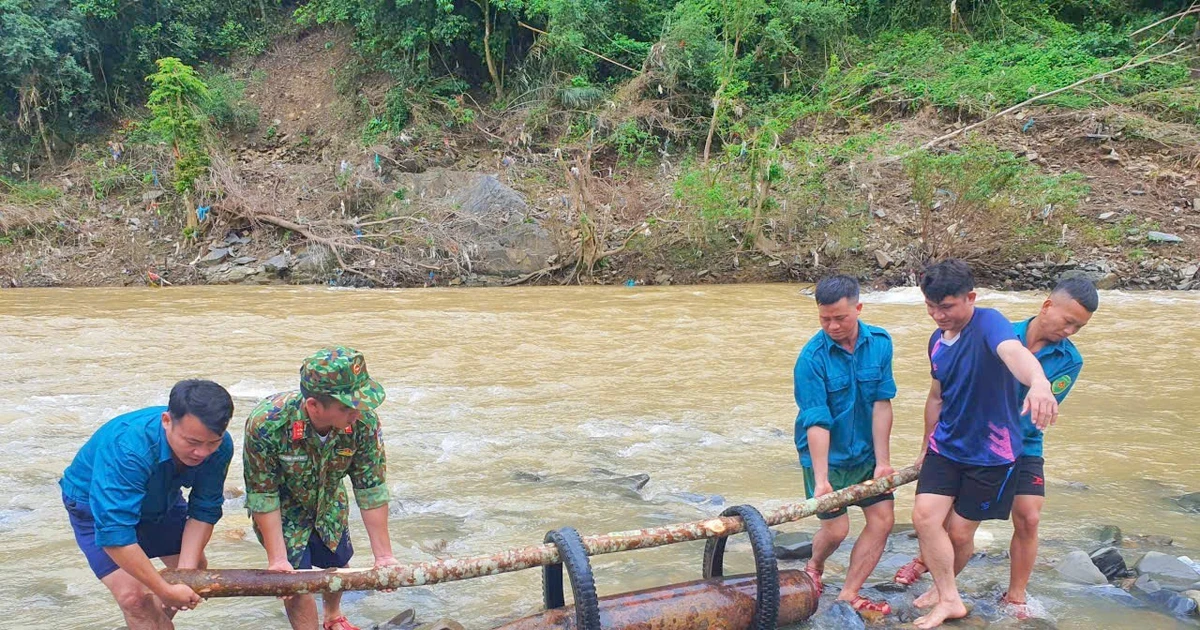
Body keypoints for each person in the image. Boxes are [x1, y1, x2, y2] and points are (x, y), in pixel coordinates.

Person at [894, 276, 1098, 617]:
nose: (1071, 331)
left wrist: (1038, 387)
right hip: (974, 438)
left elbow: (1031, 414)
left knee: (1029, 517)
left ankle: (1016, 595)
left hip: (1023, 442)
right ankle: (929, 568)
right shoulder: (1001, 331)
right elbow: (945, 392)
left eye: (1079, 327)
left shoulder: (1069, 360)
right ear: (1047, 306)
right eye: (1068, 322)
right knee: (943, 514)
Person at [908, 260, 1059, 629]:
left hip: (992, 454)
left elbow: (1013, 353)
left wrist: (1039, 382)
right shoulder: (935, 342)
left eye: (946, 307)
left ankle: (945, 593)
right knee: (925, 517)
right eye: (931, 306)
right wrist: (926, 443)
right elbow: (936, 395)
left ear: (970, 297)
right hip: (946, 447)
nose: (938, 315)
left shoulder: (990, 322)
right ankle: (948, 597)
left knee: (960, 534)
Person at [60, 379, 235, 629]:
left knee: (194, 570)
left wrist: (181, 577)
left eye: (212, 443)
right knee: (135, 599)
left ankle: (154, 622)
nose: (202, 453)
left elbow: (204, 511)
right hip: (93, 506)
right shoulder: (128, 448)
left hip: (161, 499)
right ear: (166, 421)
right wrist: (162, 588)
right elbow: (115, 535)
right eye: (193, 443)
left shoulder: (221, 446)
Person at [244, 346, 398, 630]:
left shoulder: (363, 422)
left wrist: (384, 557)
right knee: (296, 580)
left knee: (338, 562)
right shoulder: (267, 423)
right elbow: (263, 495)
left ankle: (333, 616)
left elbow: (371, 489)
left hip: (329, 500)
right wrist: (278, 560)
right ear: (314, 405)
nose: (357, 412)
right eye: (346, 407)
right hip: (284, 508)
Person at [793, 275, 897, 615]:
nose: (833, 325)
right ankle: (815, 564)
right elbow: (817, 421)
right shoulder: (811, 359)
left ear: (859, 308)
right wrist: (822, 480)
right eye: (825, 319)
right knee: (837, 528)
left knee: (882, 520)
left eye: (841, 317)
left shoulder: (880, 343)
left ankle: (848, 594)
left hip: (866, 451)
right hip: (826, 455)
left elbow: (882, 404)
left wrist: (883, 462)